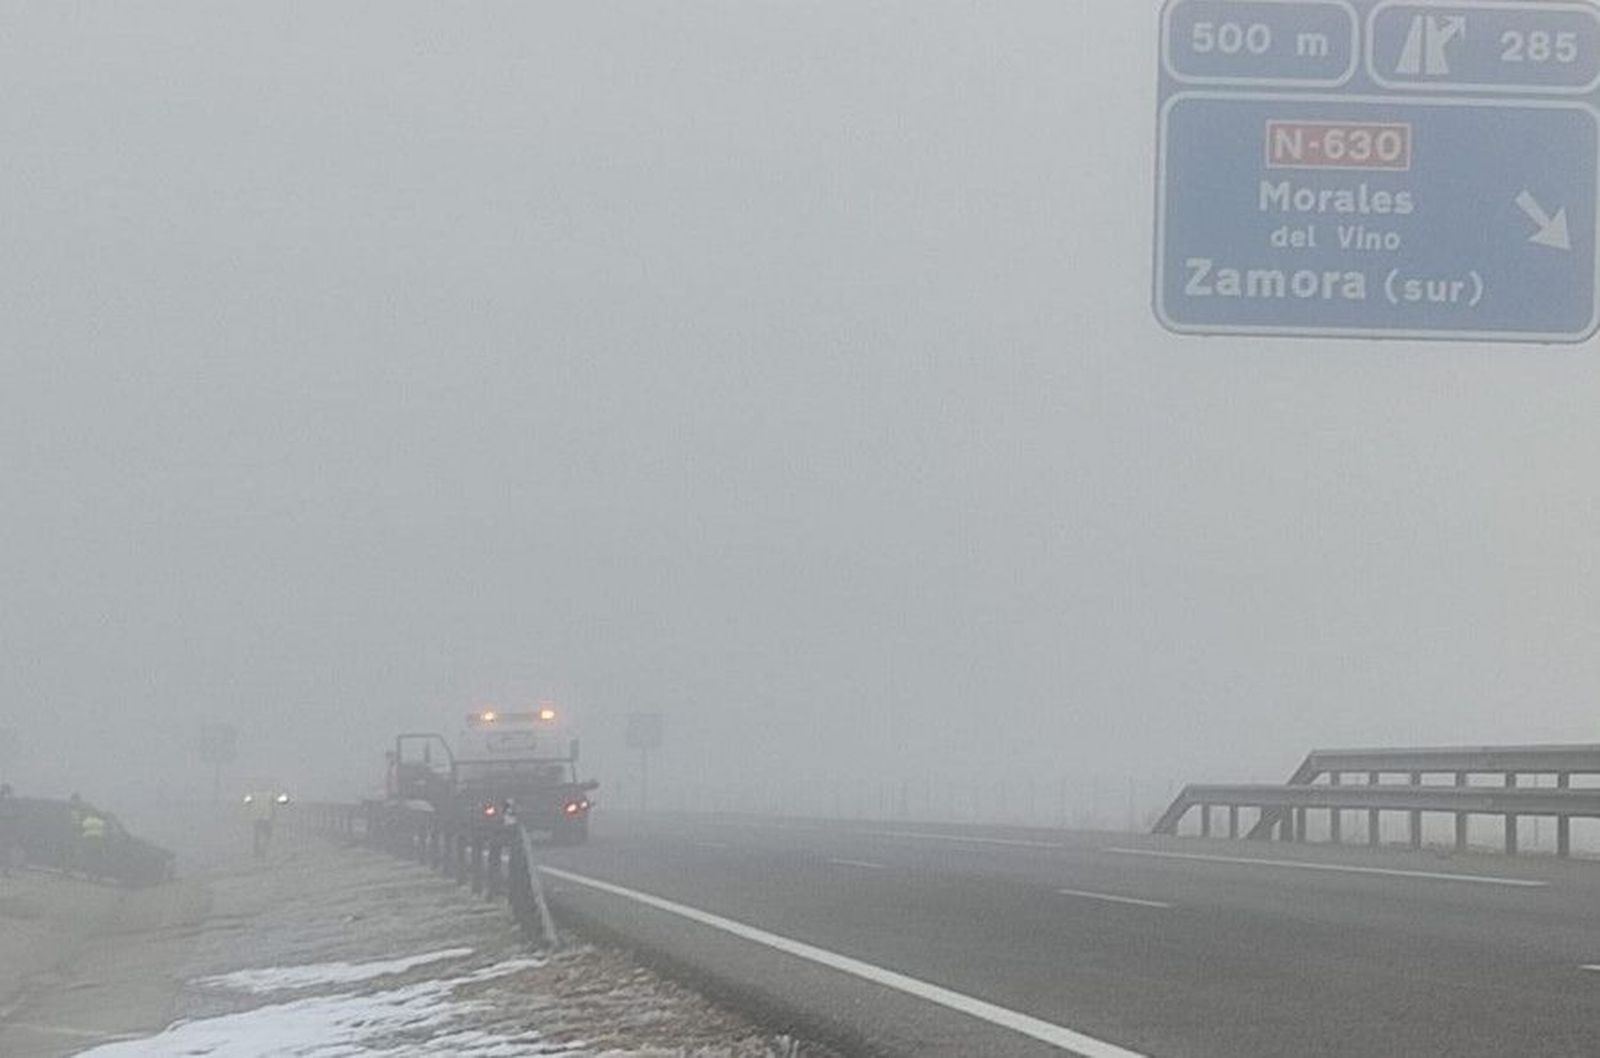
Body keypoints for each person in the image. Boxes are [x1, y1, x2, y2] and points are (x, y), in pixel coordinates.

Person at [246, 791, 275, 859]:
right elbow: (272, 807)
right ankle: (262, 850)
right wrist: (273, 816)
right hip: (266, 818)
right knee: (267, 835)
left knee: (257, 836)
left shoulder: (253, 794)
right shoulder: (270, 794)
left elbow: (249, 806)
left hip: (256, 818)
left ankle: (256, 851)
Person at [0, 783, 17, 877]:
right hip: (5, 829)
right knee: (5, 850)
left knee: (5, 850)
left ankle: (5, 869)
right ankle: (5, 869)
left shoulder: (9, 803)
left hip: (5, 830)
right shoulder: (8, 803)